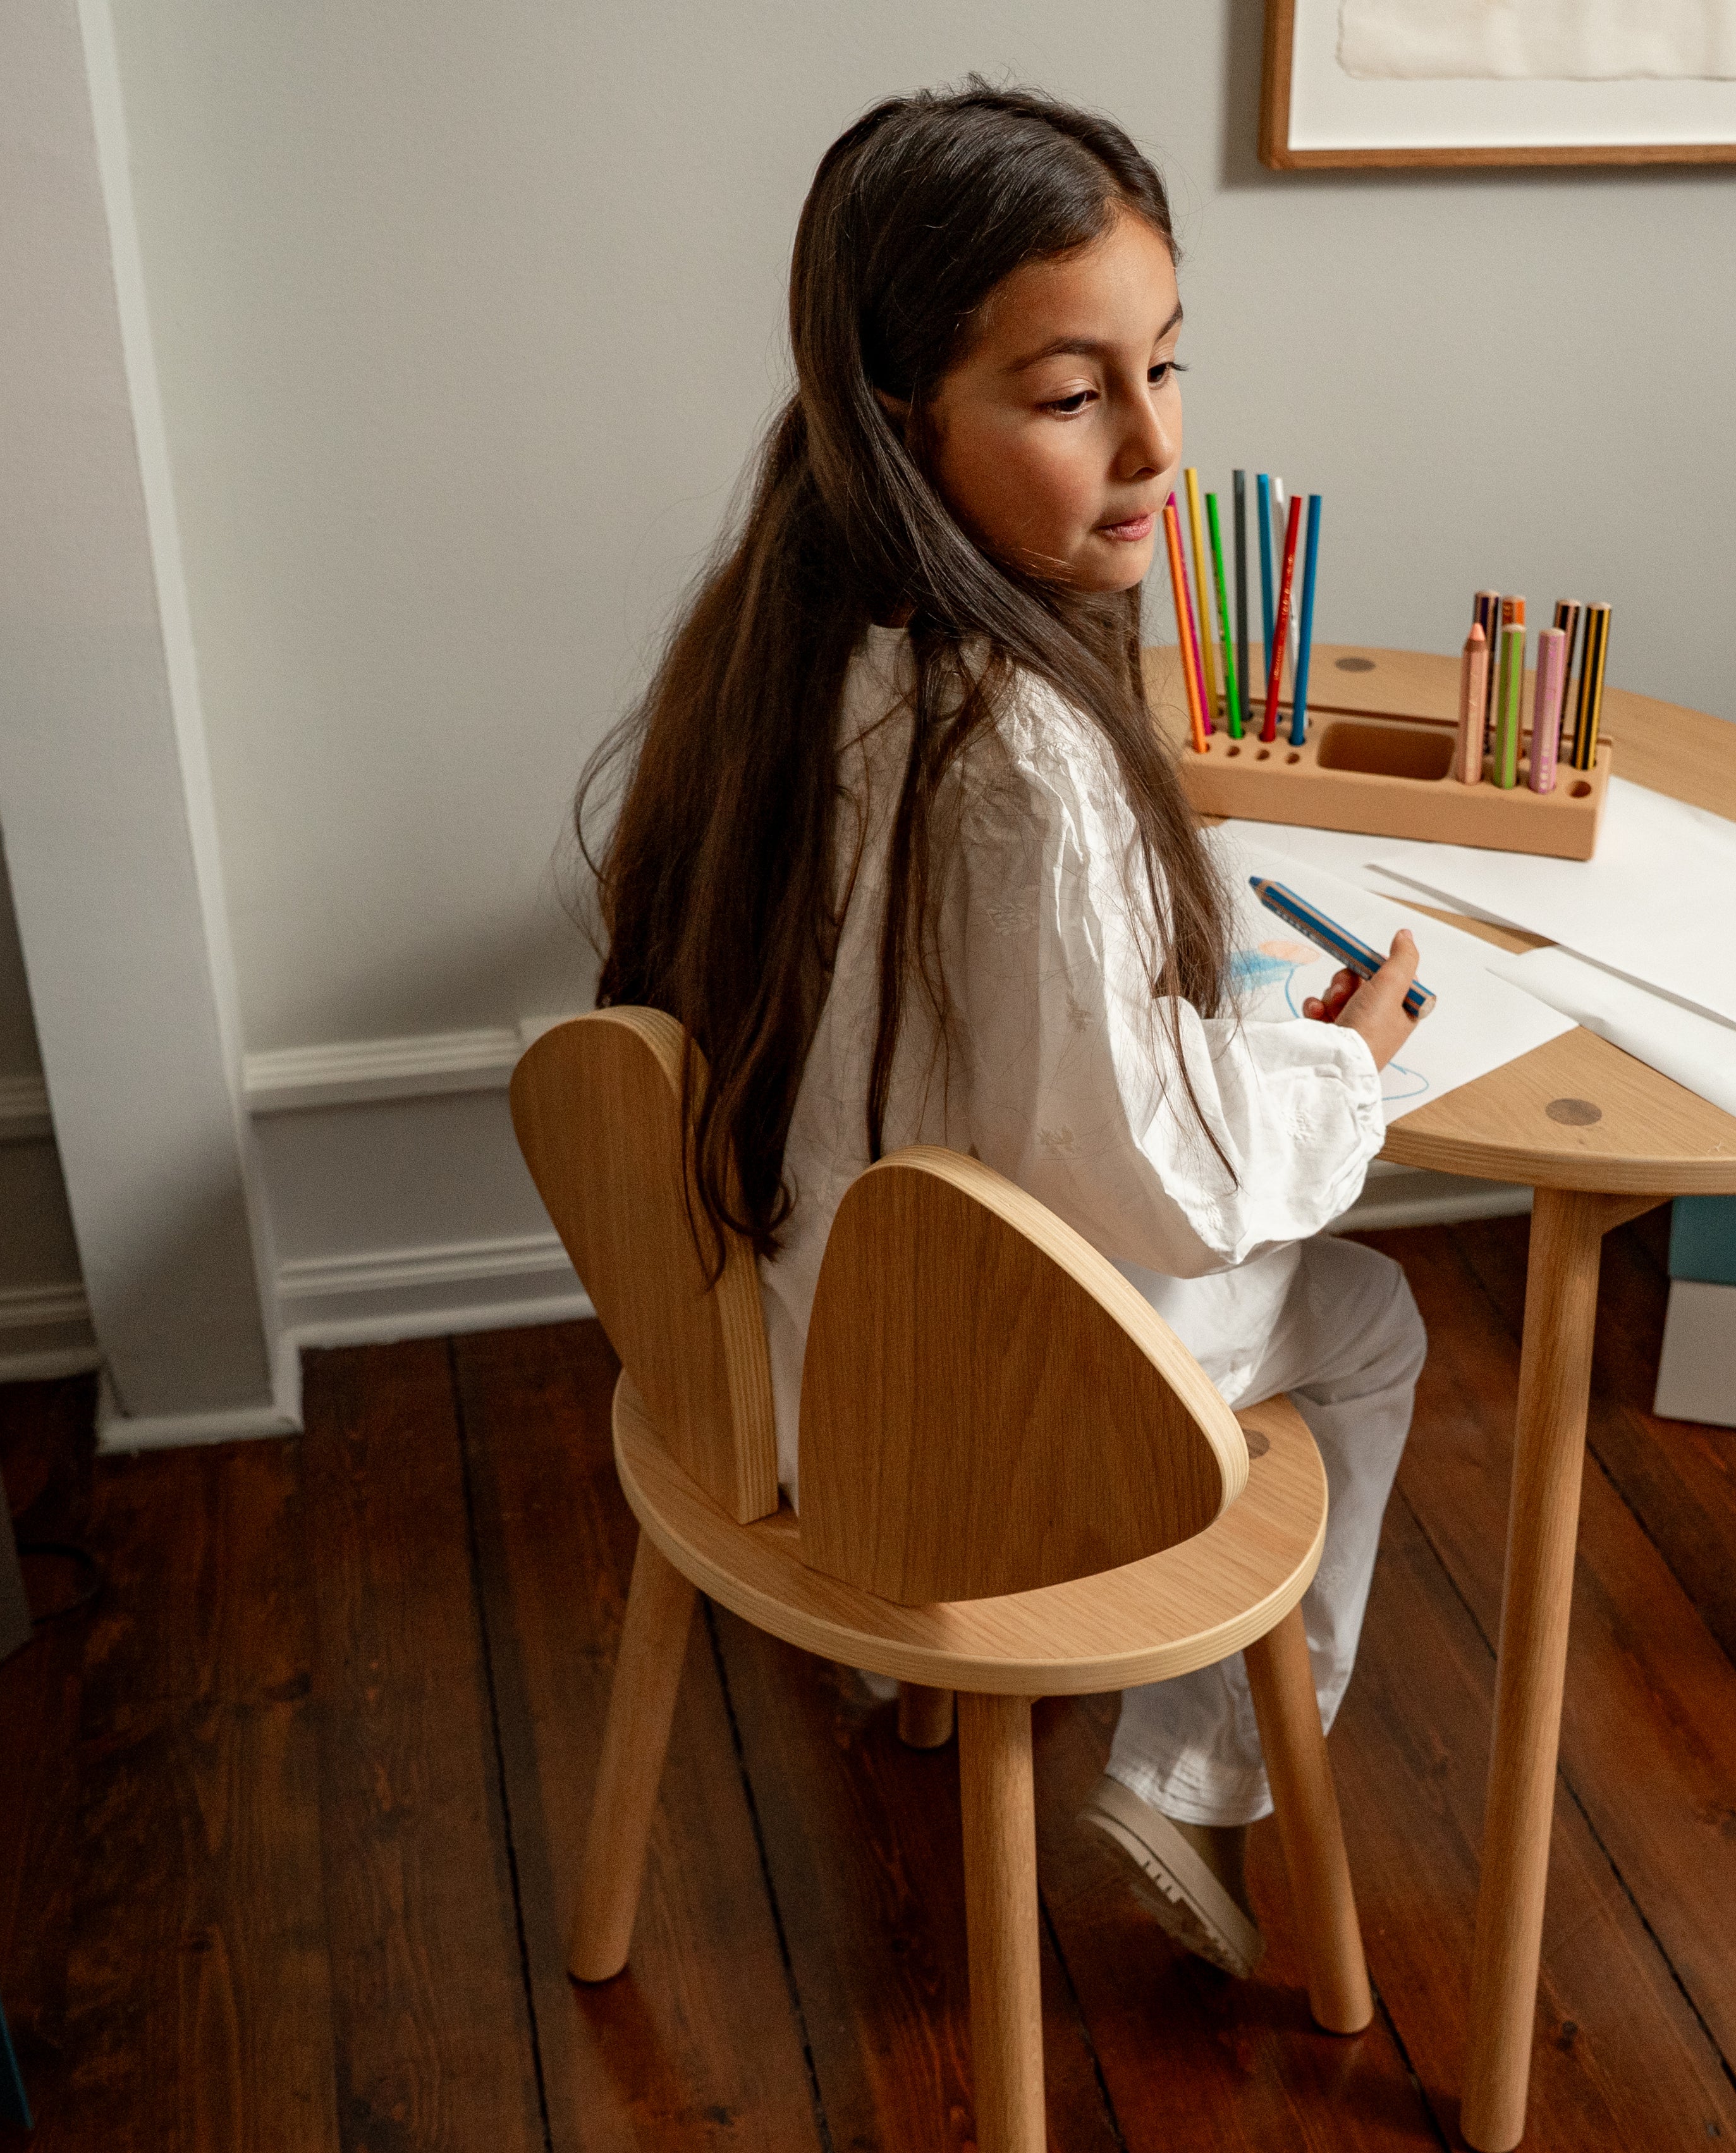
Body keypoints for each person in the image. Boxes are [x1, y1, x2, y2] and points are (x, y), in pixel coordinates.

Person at [584, 83, 1425, 1977]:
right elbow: (1159, 1187)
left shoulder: (787, 647)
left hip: (787, 1344)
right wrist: (1336, 1069)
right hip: (964, 1417)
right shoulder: (1031, 760)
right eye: (1070, 396)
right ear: (905, 426)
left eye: (1167, 366)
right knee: (1368, 1317)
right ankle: (1197, 1779)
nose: (1151, 446)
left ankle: (1014, 1718)